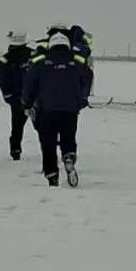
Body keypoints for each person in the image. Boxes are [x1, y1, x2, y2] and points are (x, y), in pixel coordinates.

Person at [22, 32, 88, 187]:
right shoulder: (77, 60)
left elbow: (30, 83)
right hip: (70, 108)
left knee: (48, 143)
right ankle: (69, 155)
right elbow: (87, 77)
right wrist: (81, 99)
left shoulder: (40, 61)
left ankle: (52, 175)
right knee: (68, 136)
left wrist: (27, 103)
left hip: (47, 109)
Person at [0, 29, 33, 161]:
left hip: (16, 98)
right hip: (35, 97)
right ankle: (49, 148)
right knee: (43, 125)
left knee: (17, 126)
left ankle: (15, 149)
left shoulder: (6, 58)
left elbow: (3, 79)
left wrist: (8, 96)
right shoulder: (34, 54)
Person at [70, 25, 94, 105]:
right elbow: (87, 52)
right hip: (77, 69)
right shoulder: (81, 45)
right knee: (89, 75)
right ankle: (84, 98)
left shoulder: (68, 42)